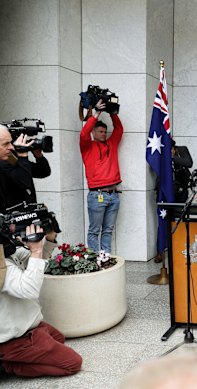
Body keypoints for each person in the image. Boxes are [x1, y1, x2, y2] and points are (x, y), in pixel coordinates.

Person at [0, 225, 82, 377]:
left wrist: (49, 240)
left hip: (28, 325)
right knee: (72, 363)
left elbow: (37, 263)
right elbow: (28, 290)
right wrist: (35, 251)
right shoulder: (2, 264)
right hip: (13, 338)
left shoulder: (9, 250)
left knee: (59, 338)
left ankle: (30, 345)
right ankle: (6, 364)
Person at [79, 100, 124, 254]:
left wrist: (112, 113)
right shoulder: (87, 146)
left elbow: (119, 129)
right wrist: (96, 113)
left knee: (108, 231)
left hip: (114, 195)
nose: (103, 134)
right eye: (100, 132)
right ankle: (94, 264)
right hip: (97, 195)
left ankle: (105, 260)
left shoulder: (112, 144)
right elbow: (83, 133)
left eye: (105, 132)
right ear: (94, 132)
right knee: (94, 231)